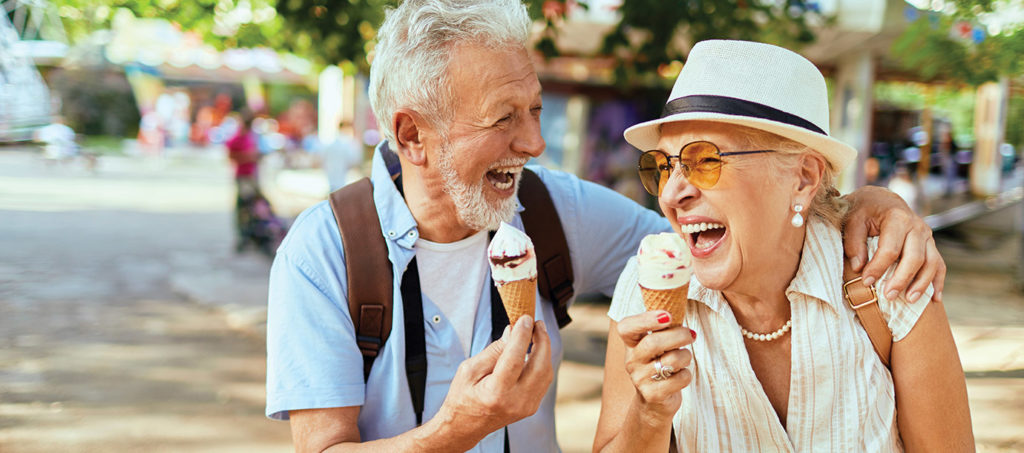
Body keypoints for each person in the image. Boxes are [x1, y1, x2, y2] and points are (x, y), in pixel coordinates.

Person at [265, 2, 947, 451]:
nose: (533, 142)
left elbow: (726, 232)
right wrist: (462, 423)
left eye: (535, 110)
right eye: (505, 118)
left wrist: (871, 202)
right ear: (412, 133)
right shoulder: (324, 256)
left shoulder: (558, 213)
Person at [595, 40, 973, 452]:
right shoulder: (648, 287)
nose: (671, 194)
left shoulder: (889, 279)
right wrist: (648, 414)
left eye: (704, 161)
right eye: (664, 166)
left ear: (804, 178)